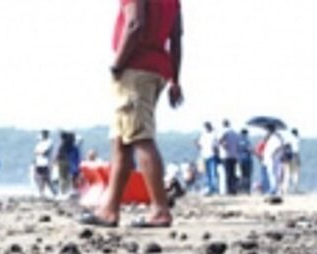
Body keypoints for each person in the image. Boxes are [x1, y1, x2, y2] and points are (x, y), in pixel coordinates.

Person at [81, 0, 183, 228]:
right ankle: (110, 208)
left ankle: (159, 209)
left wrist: (117, 64)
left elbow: (135, 23)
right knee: (121, 140)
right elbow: (175, 38)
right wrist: (176, 79)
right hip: (157, 69)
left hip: (135, 67)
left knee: (139, 136)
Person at [261, 125, 286, 195]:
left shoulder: (275, 138)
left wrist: (273, 154)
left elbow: (279, 146)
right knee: (271, 174)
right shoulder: (271, 138)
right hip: (270, 159)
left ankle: (273, 189)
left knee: (273, 174)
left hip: (273, 159)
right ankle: (273, 189)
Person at [218, 119, 240, 195]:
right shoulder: (234, 132)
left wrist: (223, 146)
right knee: (233, 173)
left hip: (226, 155)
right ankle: (233, 189)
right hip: (234, 155)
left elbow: (220, 140)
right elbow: (238, 144)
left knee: (228, 173)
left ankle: (229, 189)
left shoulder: (224, 132)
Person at [197, 122, 218, 195]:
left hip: (210, 155)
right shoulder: (203, 135)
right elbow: (200, 146)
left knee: (212, 173)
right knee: (208, 174)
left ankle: (213, 188)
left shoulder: (212, 135)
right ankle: (209, 188)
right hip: (206, 155)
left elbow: (215, 146)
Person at [33, 130, 55, 197]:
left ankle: (53, 192)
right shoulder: (40, 142)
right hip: (39, 163)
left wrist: (39, 152)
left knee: (46, 179)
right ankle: (42, 192)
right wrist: (39, 153)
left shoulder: (49, 142)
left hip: (46, 163)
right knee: (38, 178)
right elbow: (35, 151)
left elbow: (45, 152)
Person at [283, 128, 301, 193]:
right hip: (295, 157)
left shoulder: (288, 139)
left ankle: (285, 189)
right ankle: (295, 188)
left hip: (288, 158)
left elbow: (284, 147)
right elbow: (297, 151)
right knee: (295, 173)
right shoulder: (297, 140)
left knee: (287, 174)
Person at [237, 129, 254, 194]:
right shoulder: (247, 140)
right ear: (246, 133)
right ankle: (247, 190)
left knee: (241, 176)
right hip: (247, 160)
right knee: (248, 175)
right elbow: (250, 149)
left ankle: (241, 190)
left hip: (240, 160)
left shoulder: (238, 141)